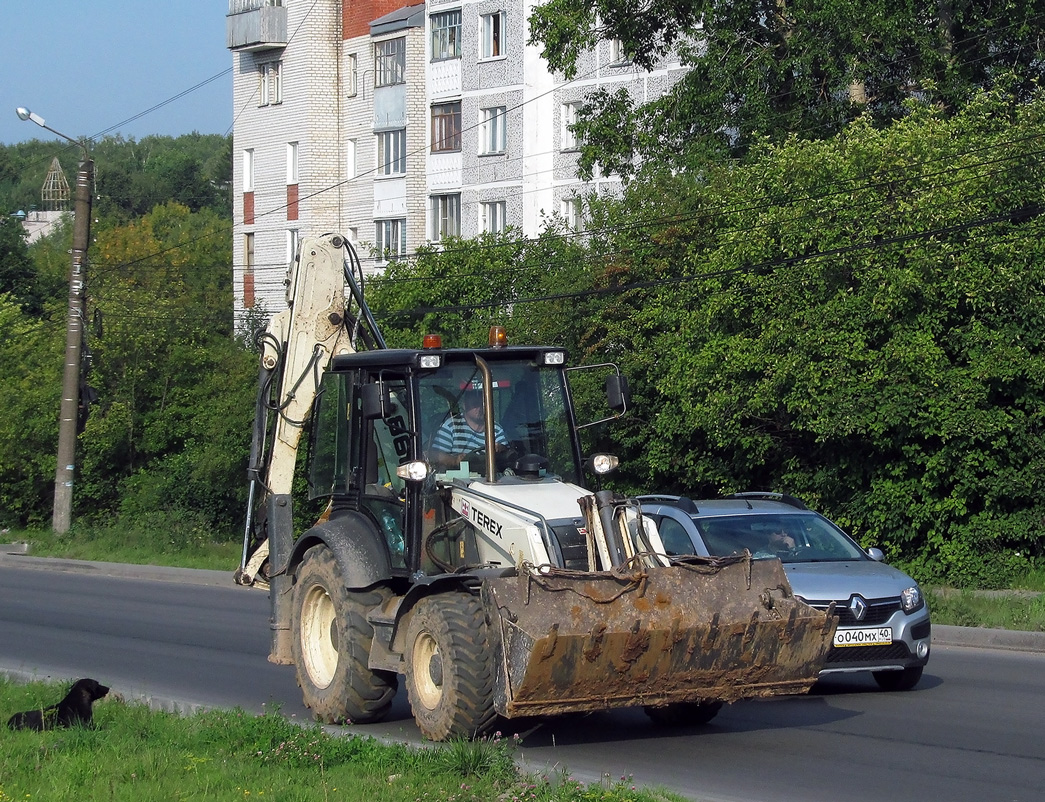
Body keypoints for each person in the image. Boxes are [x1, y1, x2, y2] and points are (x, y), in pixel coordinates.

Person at [431, 389, 509, 469]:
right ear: (464, 405)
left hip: (487, 474)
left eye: (482, 404)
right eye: (475, 404)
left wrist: (500, 448)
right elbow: (435, 454)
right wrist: (455, 460)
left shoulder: (495, 428)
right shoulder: (452, 425)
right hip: (457, 476)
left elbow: (506, 453)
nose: (479, 408)